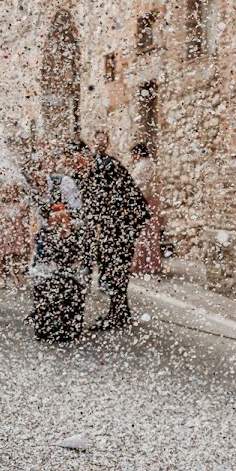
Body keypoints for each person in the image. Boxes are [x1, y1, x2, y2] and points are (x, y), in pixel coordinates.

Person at [73, 134, 150, 330]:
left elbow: (117, 199)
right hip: (114, 225)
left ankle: (117, 316)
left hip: (124, 223)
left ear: (83, 155)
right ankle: (120, 313)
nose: (73, 166)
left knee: (115, 267)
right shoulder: (87, 172)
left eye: (73, 160)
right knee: (112, 268)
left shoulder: (105, 166)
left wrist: (104, 225)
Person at [28, 143, 89, 342]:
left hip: (67, 238)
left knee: (68, 279)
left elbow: (78, 212)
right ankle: (45, 321)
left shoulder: (64, 183)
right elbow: (35, 218)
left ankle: (68, 325)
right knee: (42, 279)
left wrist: (60, 215)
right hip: (45, 239)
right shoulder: (34, 190)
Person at [129, 143, 163, 276]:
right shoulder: (149, 164)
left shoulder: (144, 166)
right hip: (150, 202)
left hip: (145, 202)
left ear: (137, 154)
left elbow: (138, 186)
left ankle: (143, 265)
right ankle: (149, 264)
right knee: (149, 233)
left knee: (145, 233)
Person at [0, 182, 32, 290]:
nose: (9, 194)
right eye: (6, 192)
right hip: (4, 233)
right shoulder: (1, 205)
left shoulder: (20, 205)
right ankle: (2, 278)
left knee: (16, 257)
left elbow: (25, 216)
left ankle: (16, 277)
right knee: (2, 258)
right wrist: (2, 219)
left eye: (11, 192)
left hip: (16, 233)